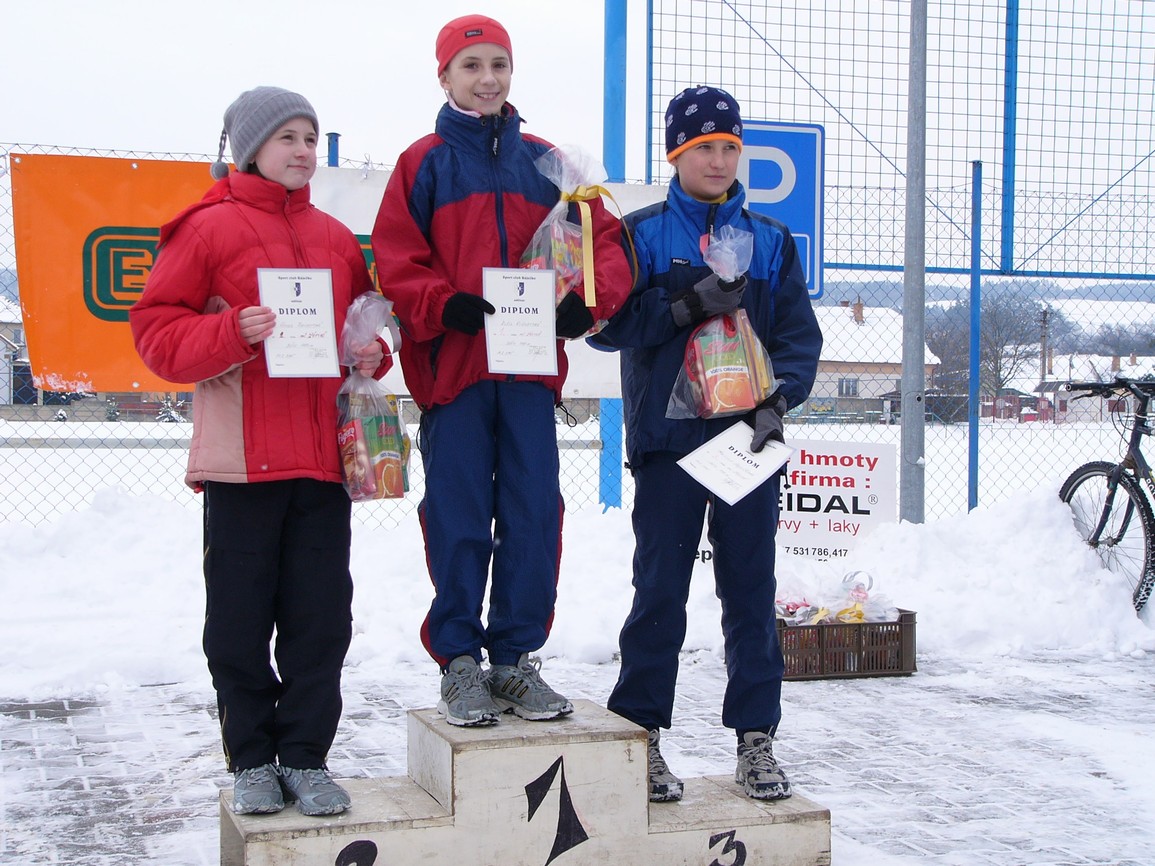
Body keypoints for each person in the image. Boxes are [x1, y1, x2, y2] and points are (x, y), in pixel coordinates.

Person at [130, 86, 392, 817]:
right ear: (249, 149)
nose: (303, 151)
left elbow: (364, 328)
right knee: (238, 623)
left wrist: (372, 353)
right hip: (241, 464)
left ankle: (305, 757)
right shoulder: (205, 229)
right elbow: (156, 334)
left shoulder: (335, 238)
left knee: (321, 622)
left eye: (310, 137)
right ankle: (250, 760)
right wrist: (231, 331)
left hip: (323, 462)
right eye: (287, 138)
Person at [371, 14, 631, 727]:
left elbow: (606, 245)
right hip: (454, 372)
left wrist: (586, 303)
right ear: (444, 77)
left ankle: (514, 659)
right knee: (457, 515)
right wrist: (439, 303)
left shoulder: (550, 164)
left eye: (499, 65)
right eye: (471, 66)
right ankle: (459, 661)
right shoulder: (422, 164)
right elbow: (395, 258)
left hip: (527, 378)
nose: (487, 79)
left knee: (532, 512)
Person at [590, 86, 822, 802]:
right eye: (702, 148)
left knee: (750, 591)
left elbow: (797, 337)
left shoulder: (771, 240)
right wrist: (683, 306)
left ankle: (756, 738)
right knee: (659, 590)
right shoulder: (641, 234)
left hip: (746, 441)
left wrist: (778, 399)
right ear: (675, 154)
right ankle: (641, 736)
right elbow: (606, 327)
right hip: (668, 443)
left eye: (729, 147)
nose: (718, 160)